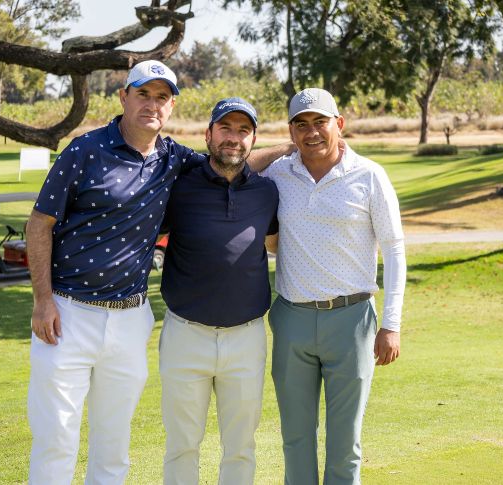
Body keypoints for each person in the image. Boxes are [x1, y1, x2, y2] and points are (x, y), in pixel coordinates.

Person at [25, 60, 291, 485]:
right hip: (69, 312)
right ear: (123, 97)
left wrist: (295, 146)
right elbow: (40, 223)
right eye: (143, 94)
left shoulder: (173, 158)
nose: (152, 104)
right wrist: (42, 300)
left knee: (113, 445)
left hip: (131, 318)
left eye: (161, 97)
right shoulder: (85, 149)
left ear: (171, 106)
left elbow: (231, 161)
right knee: (57, 438)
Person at [261, 88, 407, 484]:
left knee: (345, 443)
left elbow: (394, 250)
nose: (312, 132)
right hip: (291, 319)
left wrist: (391, 324)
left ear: (339, 124)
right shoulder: (278, 174)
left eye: (320, 122)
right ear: (290, 131)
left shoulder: (369, 175)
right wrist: (284, 149)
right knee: (295, 439)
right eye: (301, 125)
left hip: (352, 321)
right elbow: (236, 167)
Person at [158, 98, 278, 485]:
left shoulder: (266, 192)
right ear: (208, 134)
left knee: (241, 446)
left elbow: (276, 243)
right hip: (185, 335)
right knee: (181, 445)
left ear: (253, 140)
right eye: (225, 128)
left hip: (246, 339)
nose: (234, 138)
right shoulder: (178, 187)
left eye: (244, 131)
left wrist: (292, 147)